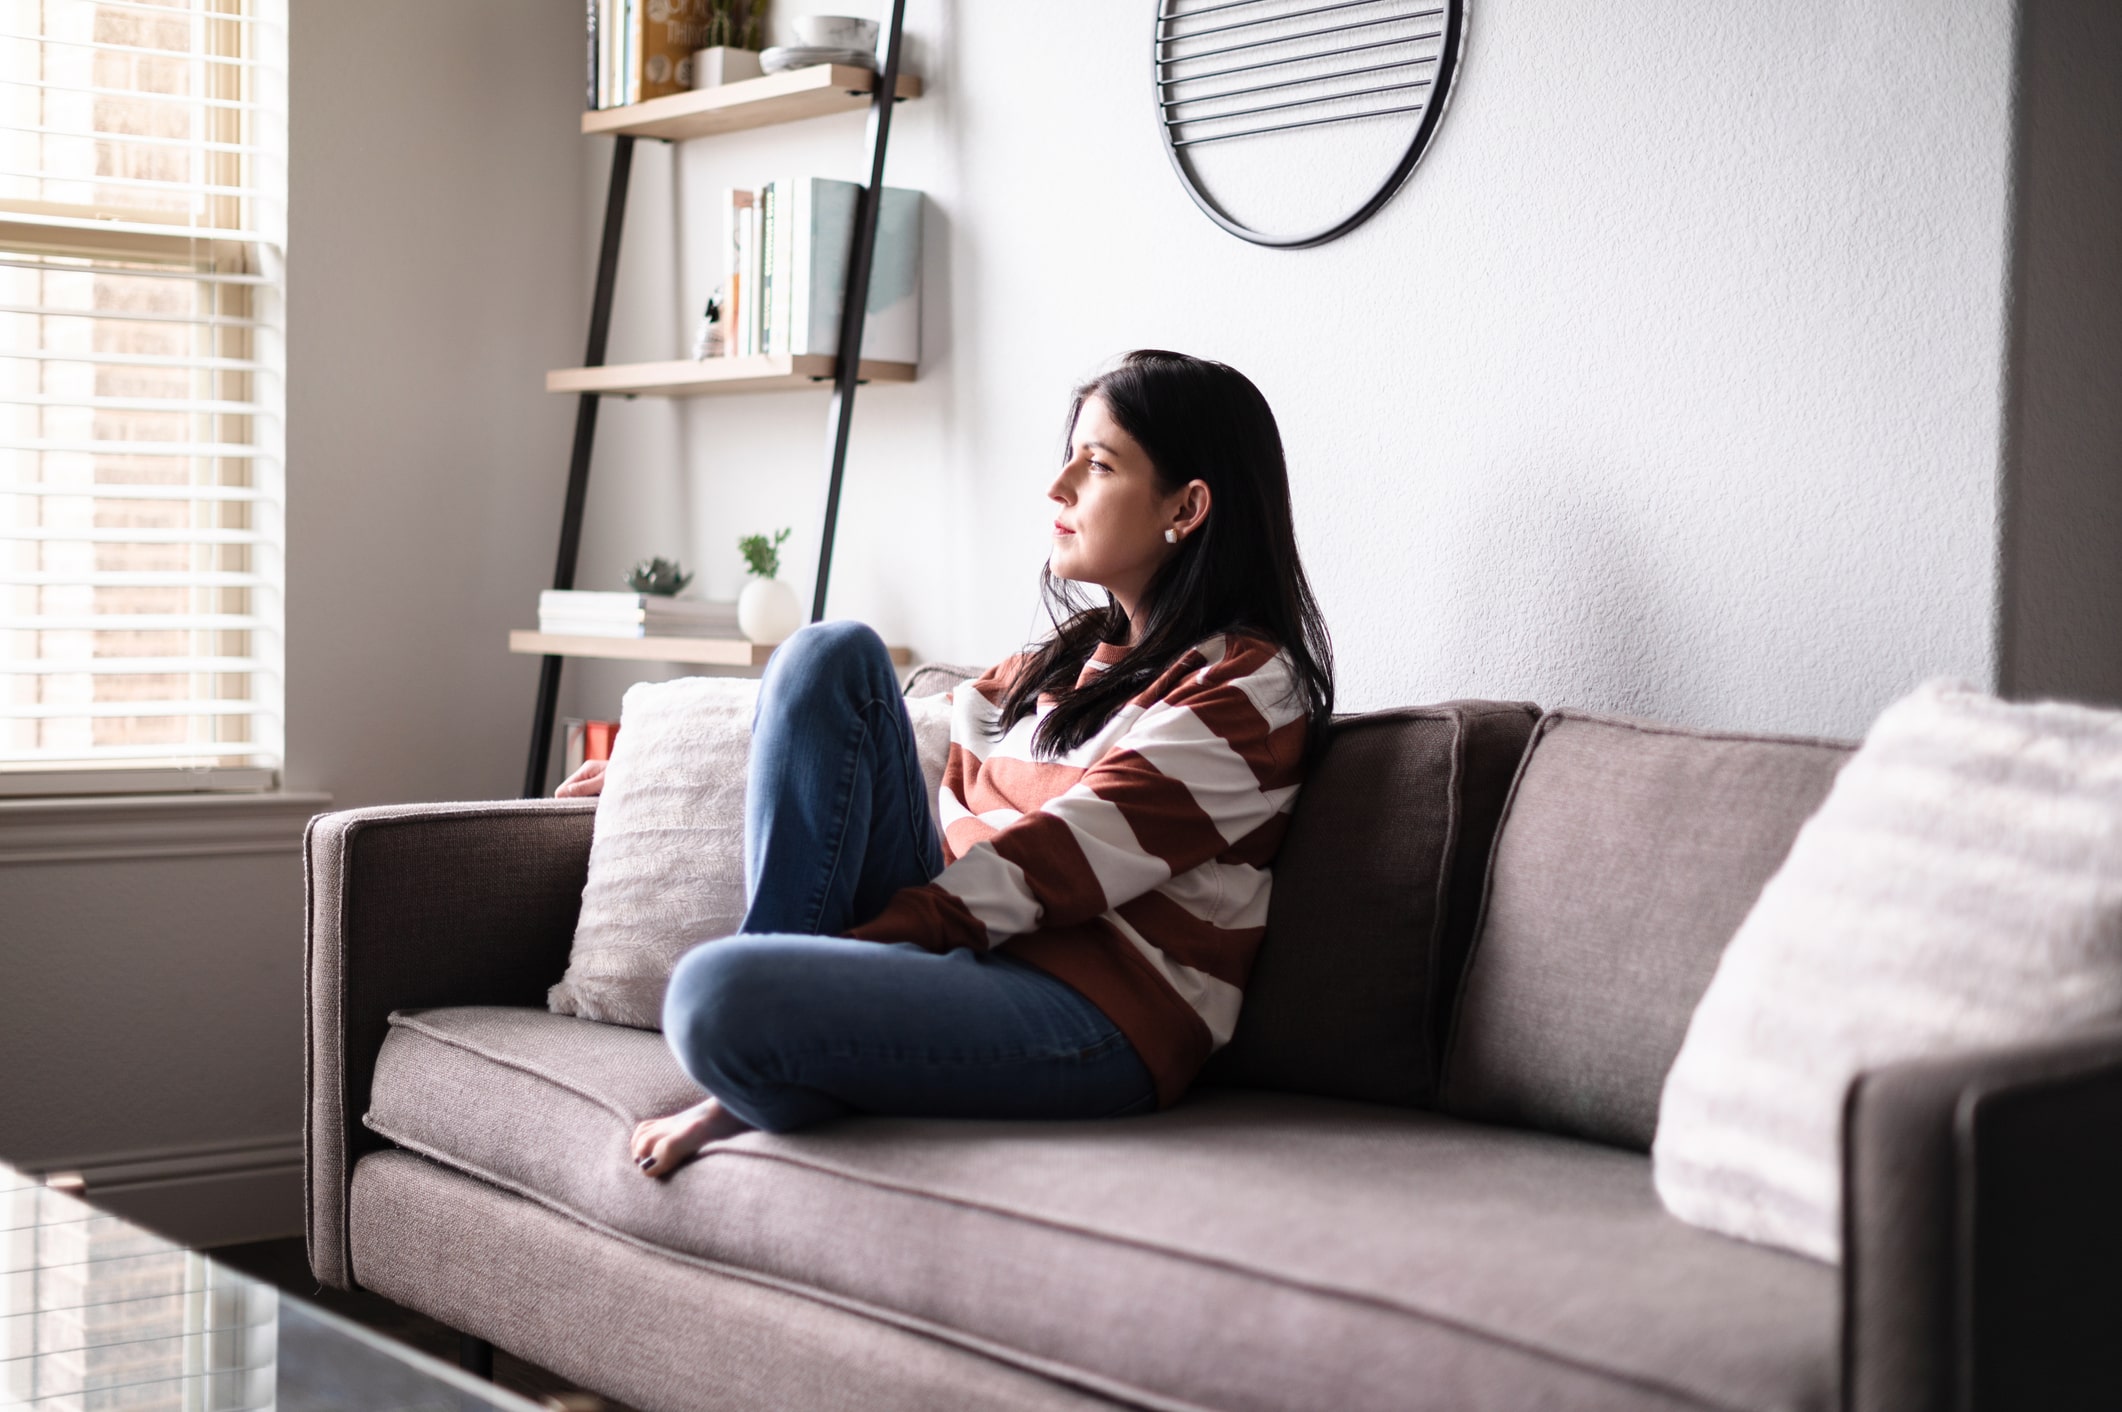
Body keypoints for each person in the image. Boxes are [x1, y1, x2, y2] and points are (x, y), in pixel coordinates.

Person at [555, 349, 1335, 1178]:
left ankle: (765, 1056)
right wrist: (651, 776)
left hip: (1099, 1016)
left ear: (1187, 506)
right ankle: (783, 1042)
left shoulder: (1248, 687)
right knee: (829, 653)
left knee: (718, 994)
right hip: (968, 960)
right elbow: (875, 737)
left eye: (1097, 463)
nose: (1058, 486)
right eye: (1067, 455)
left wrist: (859, 954)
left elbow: (1050, 865)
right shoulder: (1058, 665)